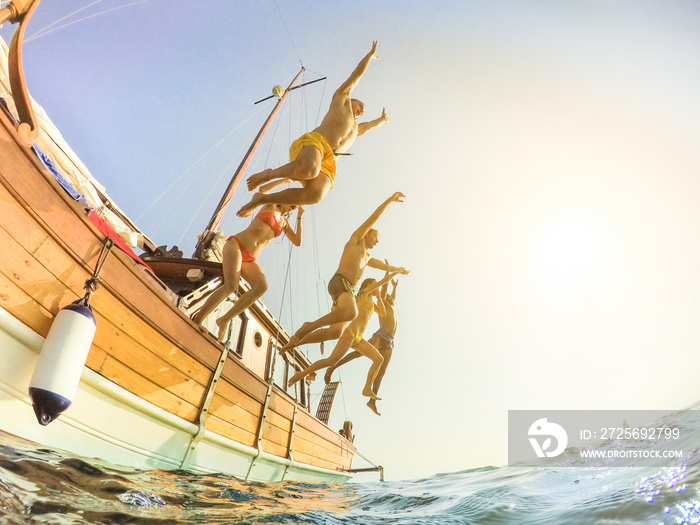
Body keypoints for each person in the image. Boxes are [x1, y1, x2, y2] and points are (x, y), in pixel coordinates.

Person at [237, 42, 389, 218]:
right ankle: (269, 174)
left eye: (363, 111)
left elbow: (370, 126)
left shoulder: (356, 128)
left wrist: (382, 120)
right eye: (361, 105)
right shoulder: (342, 100)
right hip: (316, 142)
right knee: (310, 169)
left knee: (317, 195)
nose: (362, 111)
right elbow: (356, 75)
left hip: (329, 161)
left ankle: (260, 199)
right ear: (352, 99)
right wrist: (369, 56)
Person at [279, 192, 409, 354]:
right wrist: (390, 200)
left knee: (335, 332)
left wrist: (398, 270)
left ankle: (294, 343)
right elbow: (373, 217)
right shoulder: (356, 239)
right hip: (340, 282)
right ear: (367, 234)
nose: (377, 241)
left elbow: (384, 267)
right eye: (375, 237)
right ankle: (309, 326)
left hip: (346, 292)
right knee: (352, 312)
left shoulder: (367, 257)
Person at [192, 195, 304, 341]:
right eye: (294, 202)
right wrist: (280, 178)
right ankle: (198, 319)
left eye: (296, 206)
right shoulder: (270, 205)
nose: (295, 206)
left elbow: (297, 241)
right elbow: (260, 193)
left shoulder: (284, 223)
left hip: (250, 259)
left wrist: (300, 217)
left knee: (261, 286)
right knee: (231, 286)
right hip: (237, 245)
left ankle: (224, 319)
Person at [287, 271, 400, 400]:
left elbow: (383, 313)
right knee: (330, 361)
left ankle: (367, 388)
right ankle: (303, 373)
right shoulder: (364, 293)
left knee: (379, 359)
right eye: (375, 285)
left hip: (358, 337)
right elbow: (381, 284)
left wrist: (379, 297)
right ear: (369, 284)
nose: (377, 288)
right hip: (350, 333)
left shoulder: (372, 302)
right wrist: (394, 271)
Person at [325, 274, 399, 415]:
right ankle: (333, 367)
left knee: (382, 370)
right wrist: (388, 275)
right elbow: (383, 289)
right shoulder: (382, 299)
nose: (390, 297)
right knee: (358, 353)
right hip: (381, 334)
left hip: (390, 340)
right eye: (389, 295)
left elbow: (393, 296)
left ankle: (372, 401)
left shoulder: (392, 306)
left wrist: (395, 287)